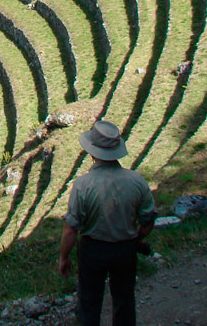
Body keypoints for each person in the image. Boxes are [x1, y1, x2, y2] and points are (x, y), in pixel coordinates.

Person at [58, 120, 156, 326]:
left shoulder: (83, 185)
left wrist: (64, 257)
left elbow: (70, 229)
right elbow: (148, 220)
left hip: (93, 250)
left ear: (92, 152)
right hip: (125, 249)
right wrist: (136, 238)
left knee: (89, 302)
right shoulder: (137, 181)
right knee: (124, 300)